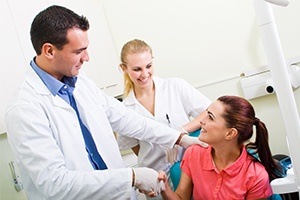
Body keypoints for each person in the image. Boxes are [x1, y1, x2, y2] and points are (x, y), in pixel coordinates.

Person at [5, 5, 206, 200]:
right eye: (78, 51)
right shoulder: (24, 108)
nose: (87, 57)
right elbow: (55, 183)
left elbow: (128, 120)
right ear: (49, 51)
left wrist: (179, 138)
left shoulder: (81, 83)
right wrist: (133, 177)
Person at [117, 39, 211, 199]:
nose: (145, 74)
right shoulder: (124, 109)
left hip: (190, 171)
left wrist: (181, 132)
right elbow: (137, 149)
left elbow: (209, 111)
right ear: (124, 69)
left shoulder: (175, 86)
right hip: (156, 180)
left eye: (148, 66)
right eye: (137, 69)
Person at [158, 95, 281, 200]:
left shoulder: (256, 176)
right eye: (206, 114)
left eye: (210, 117)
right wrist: (164, 188)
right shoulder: (193, 153)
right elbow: (181, 198)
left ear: (230, 133)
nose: (201, 121)